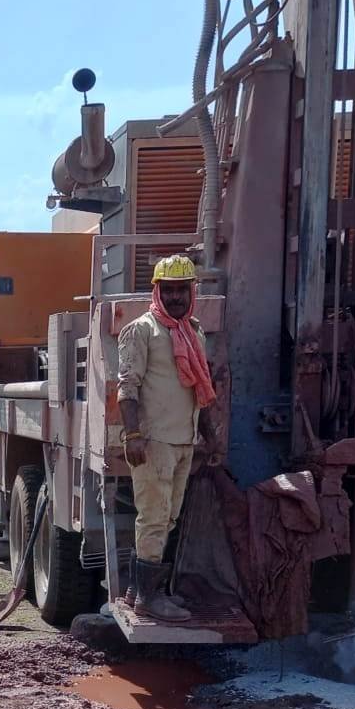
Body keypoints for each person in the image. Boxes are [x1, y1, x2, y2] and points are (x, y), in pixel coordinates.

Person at [117, 255, 218, 622]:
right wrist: (133, 435)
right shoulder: (141, 330)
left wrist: (210, 437)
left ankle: (137, 590)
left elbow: (199, 389)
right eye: (169, 290)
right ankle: (149, 597)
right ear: (156, 291)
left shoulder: (193, 332)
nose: (175, 297)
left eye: (182, 289)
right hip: (154, 440)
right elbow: (127, 388)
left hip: (183, 440)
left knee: (169, 518)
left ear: (192, 291)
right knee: (154, 517)